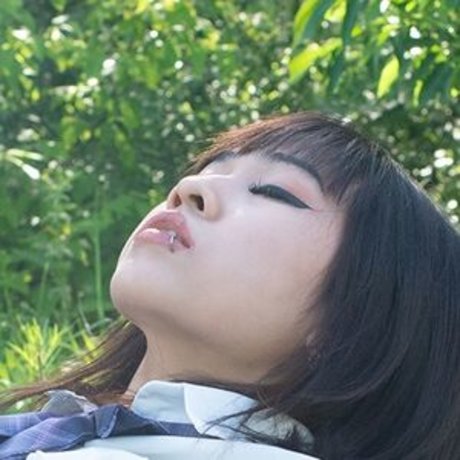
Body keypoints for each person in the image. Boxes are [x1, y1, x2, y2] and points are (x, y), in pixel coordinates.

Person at [1, 112, 459, 460]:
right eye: (209, 170)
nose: (189, 187)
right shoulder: (56, 430)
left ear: (355, 323)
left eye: (273, 192)